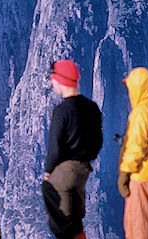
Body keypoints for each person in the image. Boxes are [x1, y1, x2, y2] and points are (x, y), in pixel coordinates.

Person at [42, 60, 103, 239]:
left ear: (60, 80)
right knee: (75, 219)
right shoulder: (92, 107)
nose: (52, 83)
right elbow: (98, 141)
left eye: (53, 79)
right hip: (83, 169)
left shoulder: (62, 111)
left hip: (65, 169)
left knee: (59, 218)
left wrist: (48, 172)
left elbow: (55, 146)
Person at [118, 67, 148, 239]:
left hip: (142, 178)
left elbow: (136, 146)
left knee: (139, 229)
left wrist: (125, 173)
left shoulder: (141, 112)